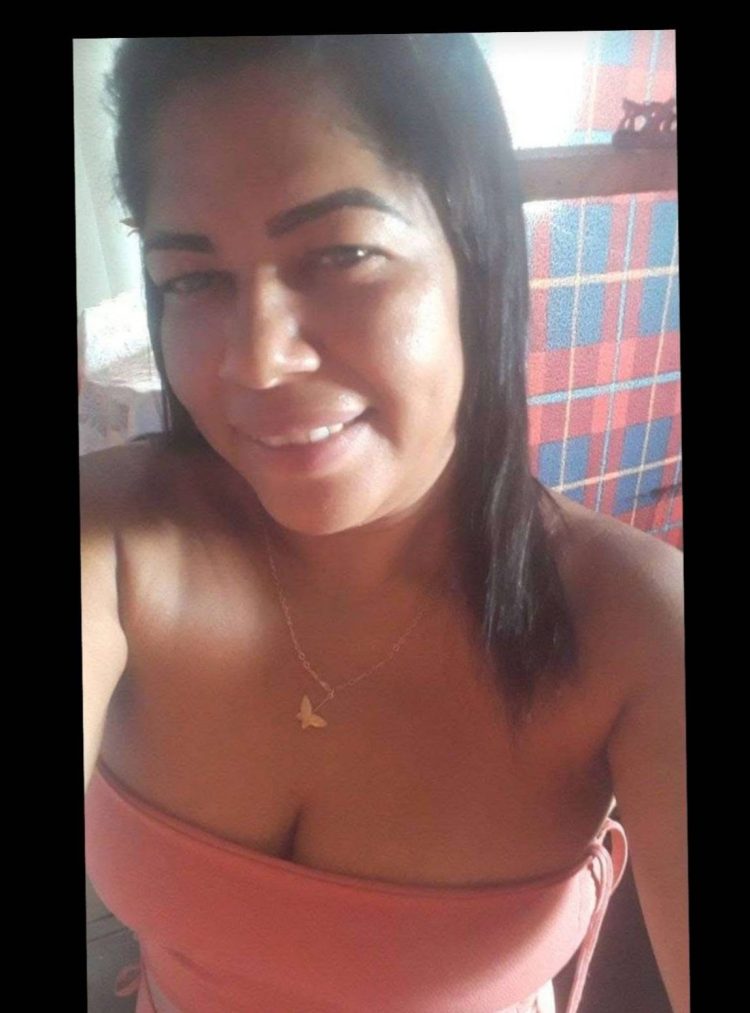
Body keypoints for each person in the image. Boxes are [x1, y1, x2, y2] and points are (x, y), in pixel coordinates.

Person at [81, 35, 687, 1013]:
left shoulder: (637, 626)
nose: (258, 360)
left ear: (475, 254)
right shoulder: (109, 541)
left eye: (342, 254)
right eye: (193, 277)